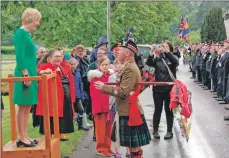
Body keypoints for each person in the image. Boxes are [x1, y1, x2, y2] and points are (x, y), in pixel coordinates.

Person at [94, 40, 151, 158]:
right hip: (128, 109)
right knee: (132, 146)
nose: (117, 52)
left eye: (120, 51)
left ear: (127, 54)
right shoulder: (128, 66)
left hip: (130, 110)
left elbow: (124, 92)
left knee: (134, 147)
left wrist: (104, 87)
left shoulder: (130, 68)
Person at [13, 8, 41, 147]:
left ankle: (25, 135)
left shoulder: (27, 35)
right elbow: (19, 56)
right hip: (24, 73)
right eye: (37, 20)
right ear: (30, 18)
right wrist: (25, 73)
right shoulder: (20, 34)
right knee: (22, 105)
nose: (38, 23)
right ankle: (21, 137)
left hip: (31, 72)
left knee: (27, 105)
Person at [36, 50, 75, 141]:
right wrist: (45, 71)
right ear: (49, 59)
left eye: (60, 56)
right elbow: (39, 71)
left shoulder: (60, 67)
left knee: (57, 128)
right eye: (56, 56)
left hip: (60, 100)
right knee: (51, 128)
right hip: (51, 103)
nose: (59, 58)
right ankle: (52, 152)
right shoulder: (45, 67)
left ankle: (56, 151)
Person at [146, 40, 179, 140]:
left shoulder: (173, 57)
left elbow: (175, 62)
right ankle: (155, 131)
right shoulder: (158, 58)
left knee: (169, 111)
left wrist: (167, 52)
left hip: (169, 88)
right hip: (158, 89)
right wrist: (151, 52)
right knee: (157, 110)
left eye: (166, 46)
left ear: (170, 48)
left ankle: (169, 131)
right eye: (163, 46)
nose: (164, 48)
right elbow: (149, 63)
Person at [88, 57, 114, 157]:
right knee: (100, 130)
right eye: (103, 65)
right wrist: (98, 109)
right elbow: (94, 95)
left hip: (109, 107)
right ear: (99, 66)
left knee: (109, 129)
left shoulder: (111, 77)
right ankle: (101, 148)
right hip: (100, 108)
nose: (105, 67)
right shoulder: (95, 78)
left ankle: (108, 147)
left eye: (106, 64)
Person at [69, 58, 89, 131]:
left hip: (78, 95)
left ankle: (80, 125)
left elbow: (80, 84)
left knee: (81, 110)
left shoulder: (78, 72)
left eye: (74, 64)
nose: (73, 66)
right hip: (71, 95)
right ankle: (74, 125)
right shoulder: (68, 73)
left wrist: (81, 95)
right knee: (72, 111)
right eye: (71, 64)